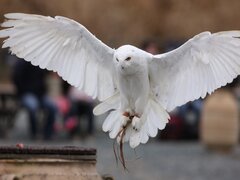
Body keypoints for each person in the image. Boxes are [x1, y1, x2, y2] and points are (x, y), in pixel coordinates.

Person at [11, 56, 57, 140]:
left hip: (40, 95)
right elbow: (15, 77)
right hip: (27, 93)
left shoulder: (41, 61)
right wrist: (21, 92)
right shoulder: (22, 62)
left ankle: (48, 133)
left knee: (53, 107)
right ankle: (35, 133)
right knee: (33, 107)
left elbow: (50, 73)